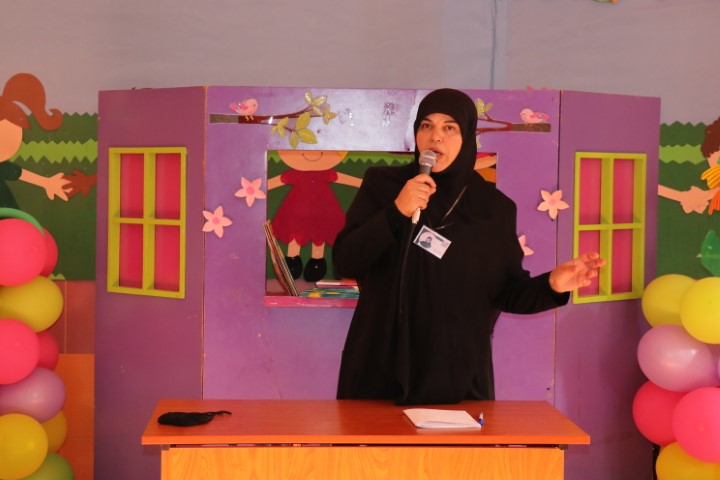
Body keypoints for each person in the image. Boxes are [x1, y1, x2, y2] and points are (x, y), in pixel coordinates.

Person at [333, 88, 605, 405]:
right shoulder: (384, 185)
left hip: (456, 378)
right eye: (426, 125)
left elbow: (506, 292)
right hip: (379, 368)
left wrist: (552, 285)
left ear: (467, 136)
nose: (435, 137)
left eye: (449, 127)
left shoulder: (493, 208)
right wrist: (396, 211)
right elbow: (346, 261)